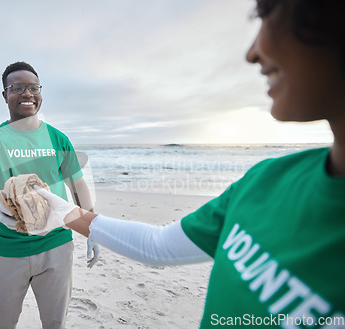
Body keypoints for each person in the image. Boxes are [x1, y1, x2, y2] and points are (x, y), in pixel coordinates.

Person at [21, 1, 345, 328]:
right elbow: (157, 246)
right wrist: (61, 210)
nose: (252, 52)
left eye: (267, 15)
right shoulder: (268, 180)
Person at [0, 61, 98, 329]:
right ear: (5, 95)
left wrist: (91, 228)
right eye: (17, 88)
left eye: (33, 87)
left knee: (54, 322)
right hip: (8, 249)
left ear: (40, 92)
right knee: (3, 322)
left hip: (57, 245)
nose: (27, 93)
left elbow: (78, 185)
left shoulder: (57, 137)